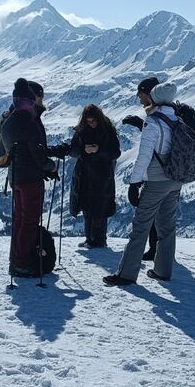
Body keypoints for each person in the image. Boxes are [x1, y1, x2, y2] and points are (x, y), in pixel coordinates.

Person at [104, 77, 183, 286]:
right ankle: (162, 271)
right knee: (167, 227)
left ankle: (126, 274)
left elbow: (145, 155)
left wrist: (134, 182)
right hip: (175, 179)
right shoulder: (177, 119)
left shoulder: (154, 121)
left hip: (156, 181)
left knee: (140, 226)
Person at [3, 78, 58, 277]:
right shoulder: (29, 122)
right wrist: (50, 166)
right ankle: (21, 263)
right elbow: (37, 153)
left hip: (17, 176)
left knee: (20, 220)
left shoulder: (10, 120)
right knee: (29, 221)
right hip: (31, 178)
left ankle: (16, 259)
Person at [58, 104, 121, 248]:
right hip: (84, 174)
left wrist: (99, 151)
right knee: (86, 206)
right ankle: (89, 238)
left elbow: (115, 153)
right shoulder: (80, 132)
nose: (92, 124)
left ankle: (99, 239)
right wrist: (83, 150)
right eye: (89, 121)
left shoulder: (108, 132)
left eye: (94, 121)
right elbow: (73, 151)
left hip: (102, 175)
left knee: (100, 208)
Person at [120, 115, 159, 261]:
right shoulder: (172, 114)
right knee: (164, 219)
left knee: (144, 219)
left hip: (156, 176)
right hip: (172, 176)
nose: (138, 97)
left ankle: (129, 268)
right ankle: (161, 255)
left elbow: (147, 152)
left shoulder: (157, 114)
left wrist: (135, 183)